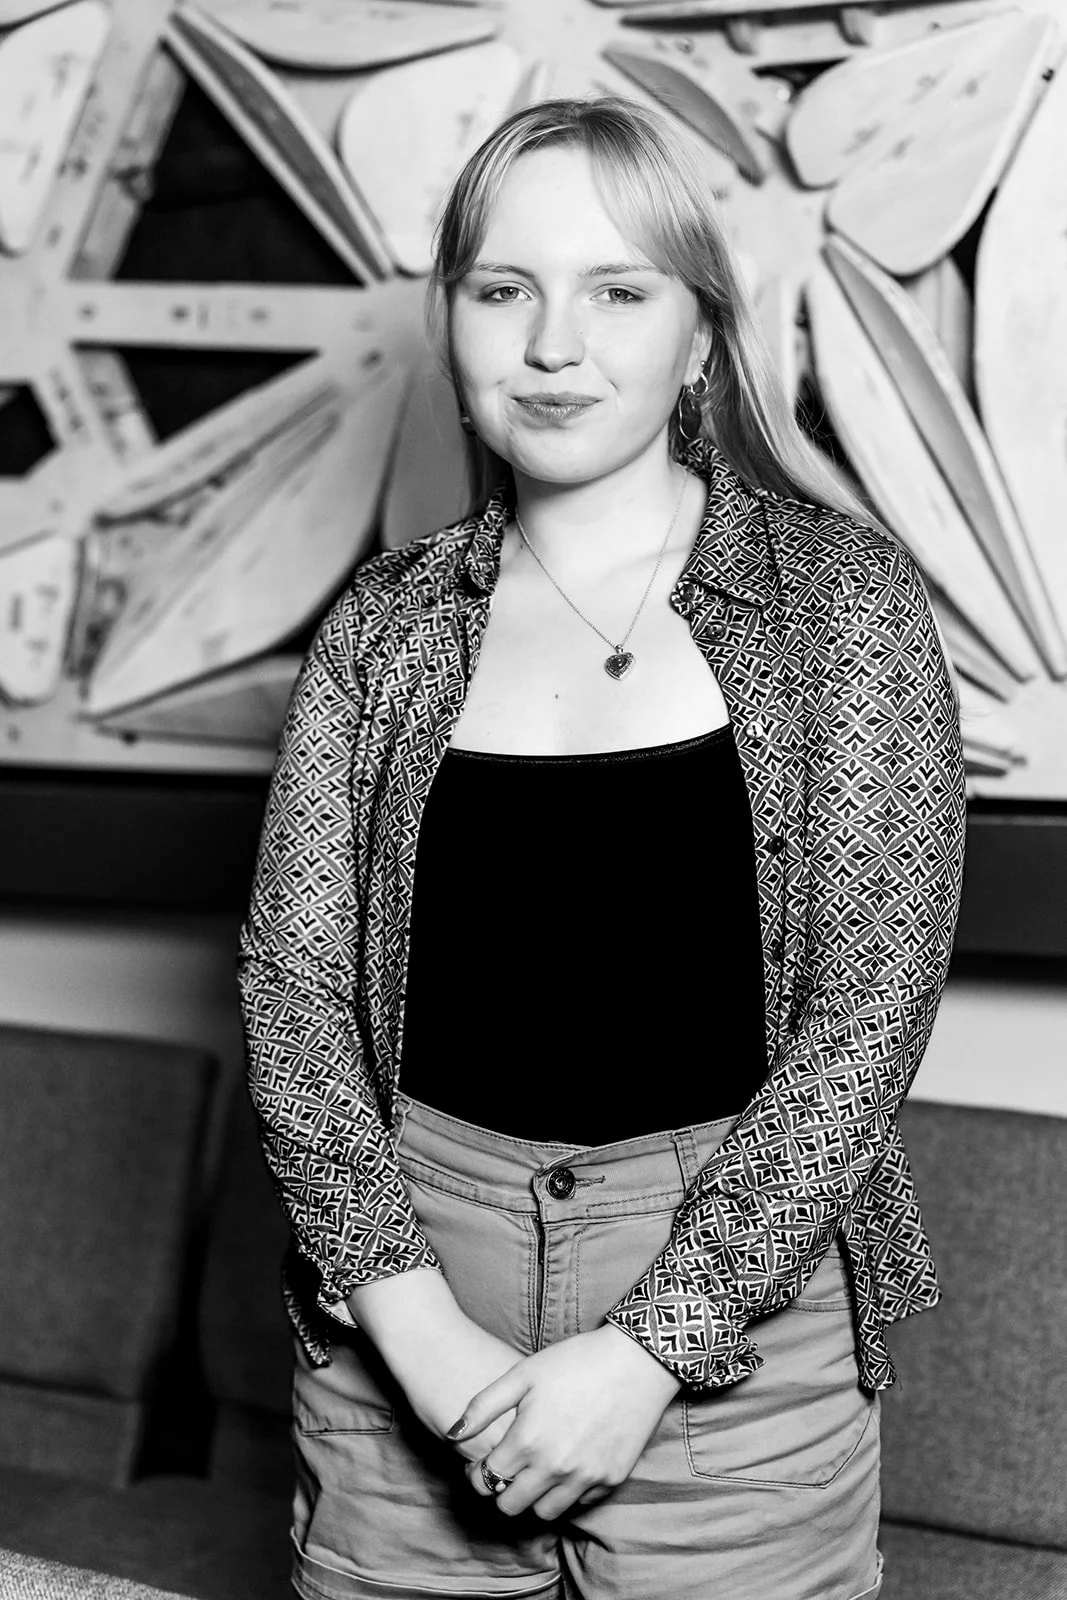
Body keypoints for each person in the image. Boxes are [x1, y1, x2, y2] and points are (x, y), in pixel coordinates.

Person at [236, 96, 966, 1600]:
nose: (550, 345)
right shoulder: (382, 629)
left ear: (699, 338)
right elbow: (292, 997)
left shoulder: (844, 605)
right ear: (449, 322)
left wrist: (648, 1351)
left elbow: (866, 1017)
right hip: (402, 1307)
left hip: (743, 1339)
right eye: (503, 291)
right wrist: (417, 1334)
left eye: (616, 292)